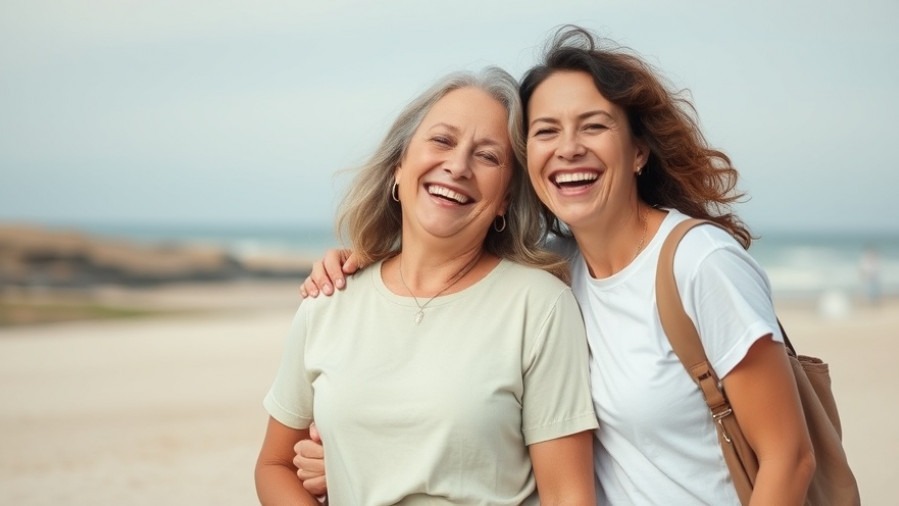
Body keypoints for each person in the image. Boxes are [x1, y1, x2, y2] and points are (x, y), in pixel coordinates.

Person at [297, 26, 817, 505]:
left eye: (593, 126)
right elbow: (446, 251)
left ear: (638, 150)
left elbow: (789, 459)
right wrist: (358, 259)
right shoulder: (557, 267)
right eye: (546, 131)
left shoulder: (700, 263)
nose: (569, 149)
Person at [255, 66, 598, 505]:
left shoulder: (541, 306)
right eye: (442, 140)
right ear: (399, 166)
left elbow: (568, 496)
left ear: (506, 200)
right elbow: (274, 466)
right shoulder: (329, 299)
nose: (457, 166)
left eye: (488, 156)